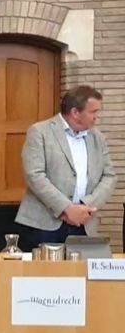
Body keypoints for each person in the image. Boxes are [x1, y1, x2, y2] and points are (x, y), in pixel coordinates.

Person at [15, 85, 117, 248]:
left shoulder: (97, 137)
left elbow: (109, 176)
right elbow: (35, 175)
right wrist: (66, 208)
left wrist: (85, 206)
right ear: (75, 112)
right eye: (93, 112)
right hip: (45, 224)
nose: (97, 117)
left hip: (84, 223)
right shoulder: (40, 132)